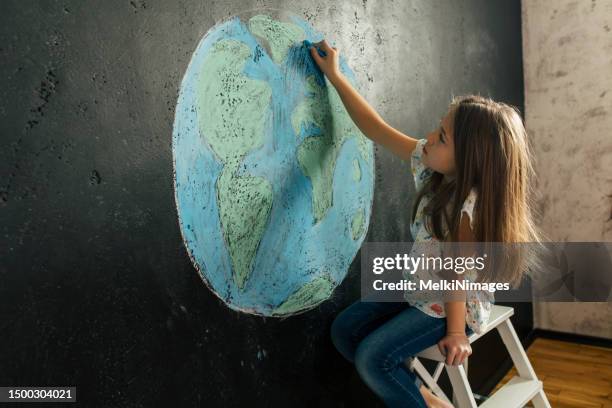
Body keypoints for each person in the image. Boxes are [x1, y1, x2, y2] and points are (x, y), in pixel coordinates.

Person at [307, 40, 543, 407]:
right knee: (345, 330)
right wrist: (336, 77)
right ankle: (426, 399)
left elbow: (456, 274)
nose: (430, 138)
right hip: (418, 286)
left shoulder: (470, 207)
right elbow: (376, 128)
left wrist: (454, 332)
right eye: (438, 129)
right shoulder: (429, 163)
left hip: (453, 303)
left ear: (470, 160)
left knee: (373, 358)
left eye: (442, 137)